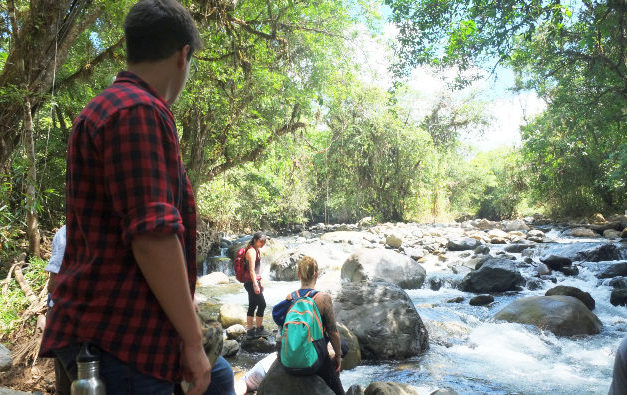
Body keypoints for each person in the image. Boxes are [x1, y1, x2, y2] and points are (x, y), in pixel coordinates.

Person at [39, 1, 226, 394]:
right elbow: (152, 237)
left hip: (105, 336)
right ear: (183, 55)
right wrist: (193, 342)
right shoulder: (139, 111)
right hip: (121, 341)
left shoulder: (103, 108)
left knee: (222, 375)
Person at [283, 256, 345, 395]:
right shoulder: (323, 299)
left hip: (289, 359)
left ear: (298, 275)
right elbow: (333, 332)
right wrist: (338, 357)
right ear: (316, 274)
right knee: (342, 348)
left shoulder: (289, 298)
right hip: (315, 359)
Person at [44, 225, 71, 395]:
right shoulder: (67, 232)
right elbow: (54, 283)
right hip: (66, 316)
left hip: (62, 315)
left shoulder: (66, 231)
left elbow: (53, 284)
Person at [243, 232, 268, 338]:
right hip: (251, 282)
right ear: (256, 240)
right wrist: (255, 284)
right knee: (262, 304)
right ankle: (258, 329)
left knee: (253, 305)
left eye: (264, 242)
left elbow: (256, 270)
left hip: (251, 282)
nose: (263, 244)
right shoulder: (251, 251)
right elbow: (252, 270)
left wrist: (260, 280)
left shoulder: (256, 250)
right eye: (261, 242)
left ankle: (250, 330)